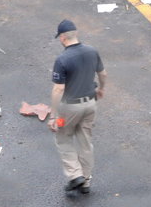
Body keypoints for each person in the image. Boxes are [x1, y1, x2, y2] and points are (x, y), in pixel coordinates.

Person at [48, 19, 107, 196]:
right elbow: (103, 73)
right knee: (85, 143)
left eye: (60, 37)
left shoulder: (62, 59)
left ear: (63, 37)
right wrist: (102, 89)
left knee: (62, 137)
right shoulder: (91, 51)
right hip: (90, 105)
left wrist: (53, 115)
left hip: (68, 109)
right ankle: (86, 182)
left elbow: (59, 88)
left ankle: (75, 176)